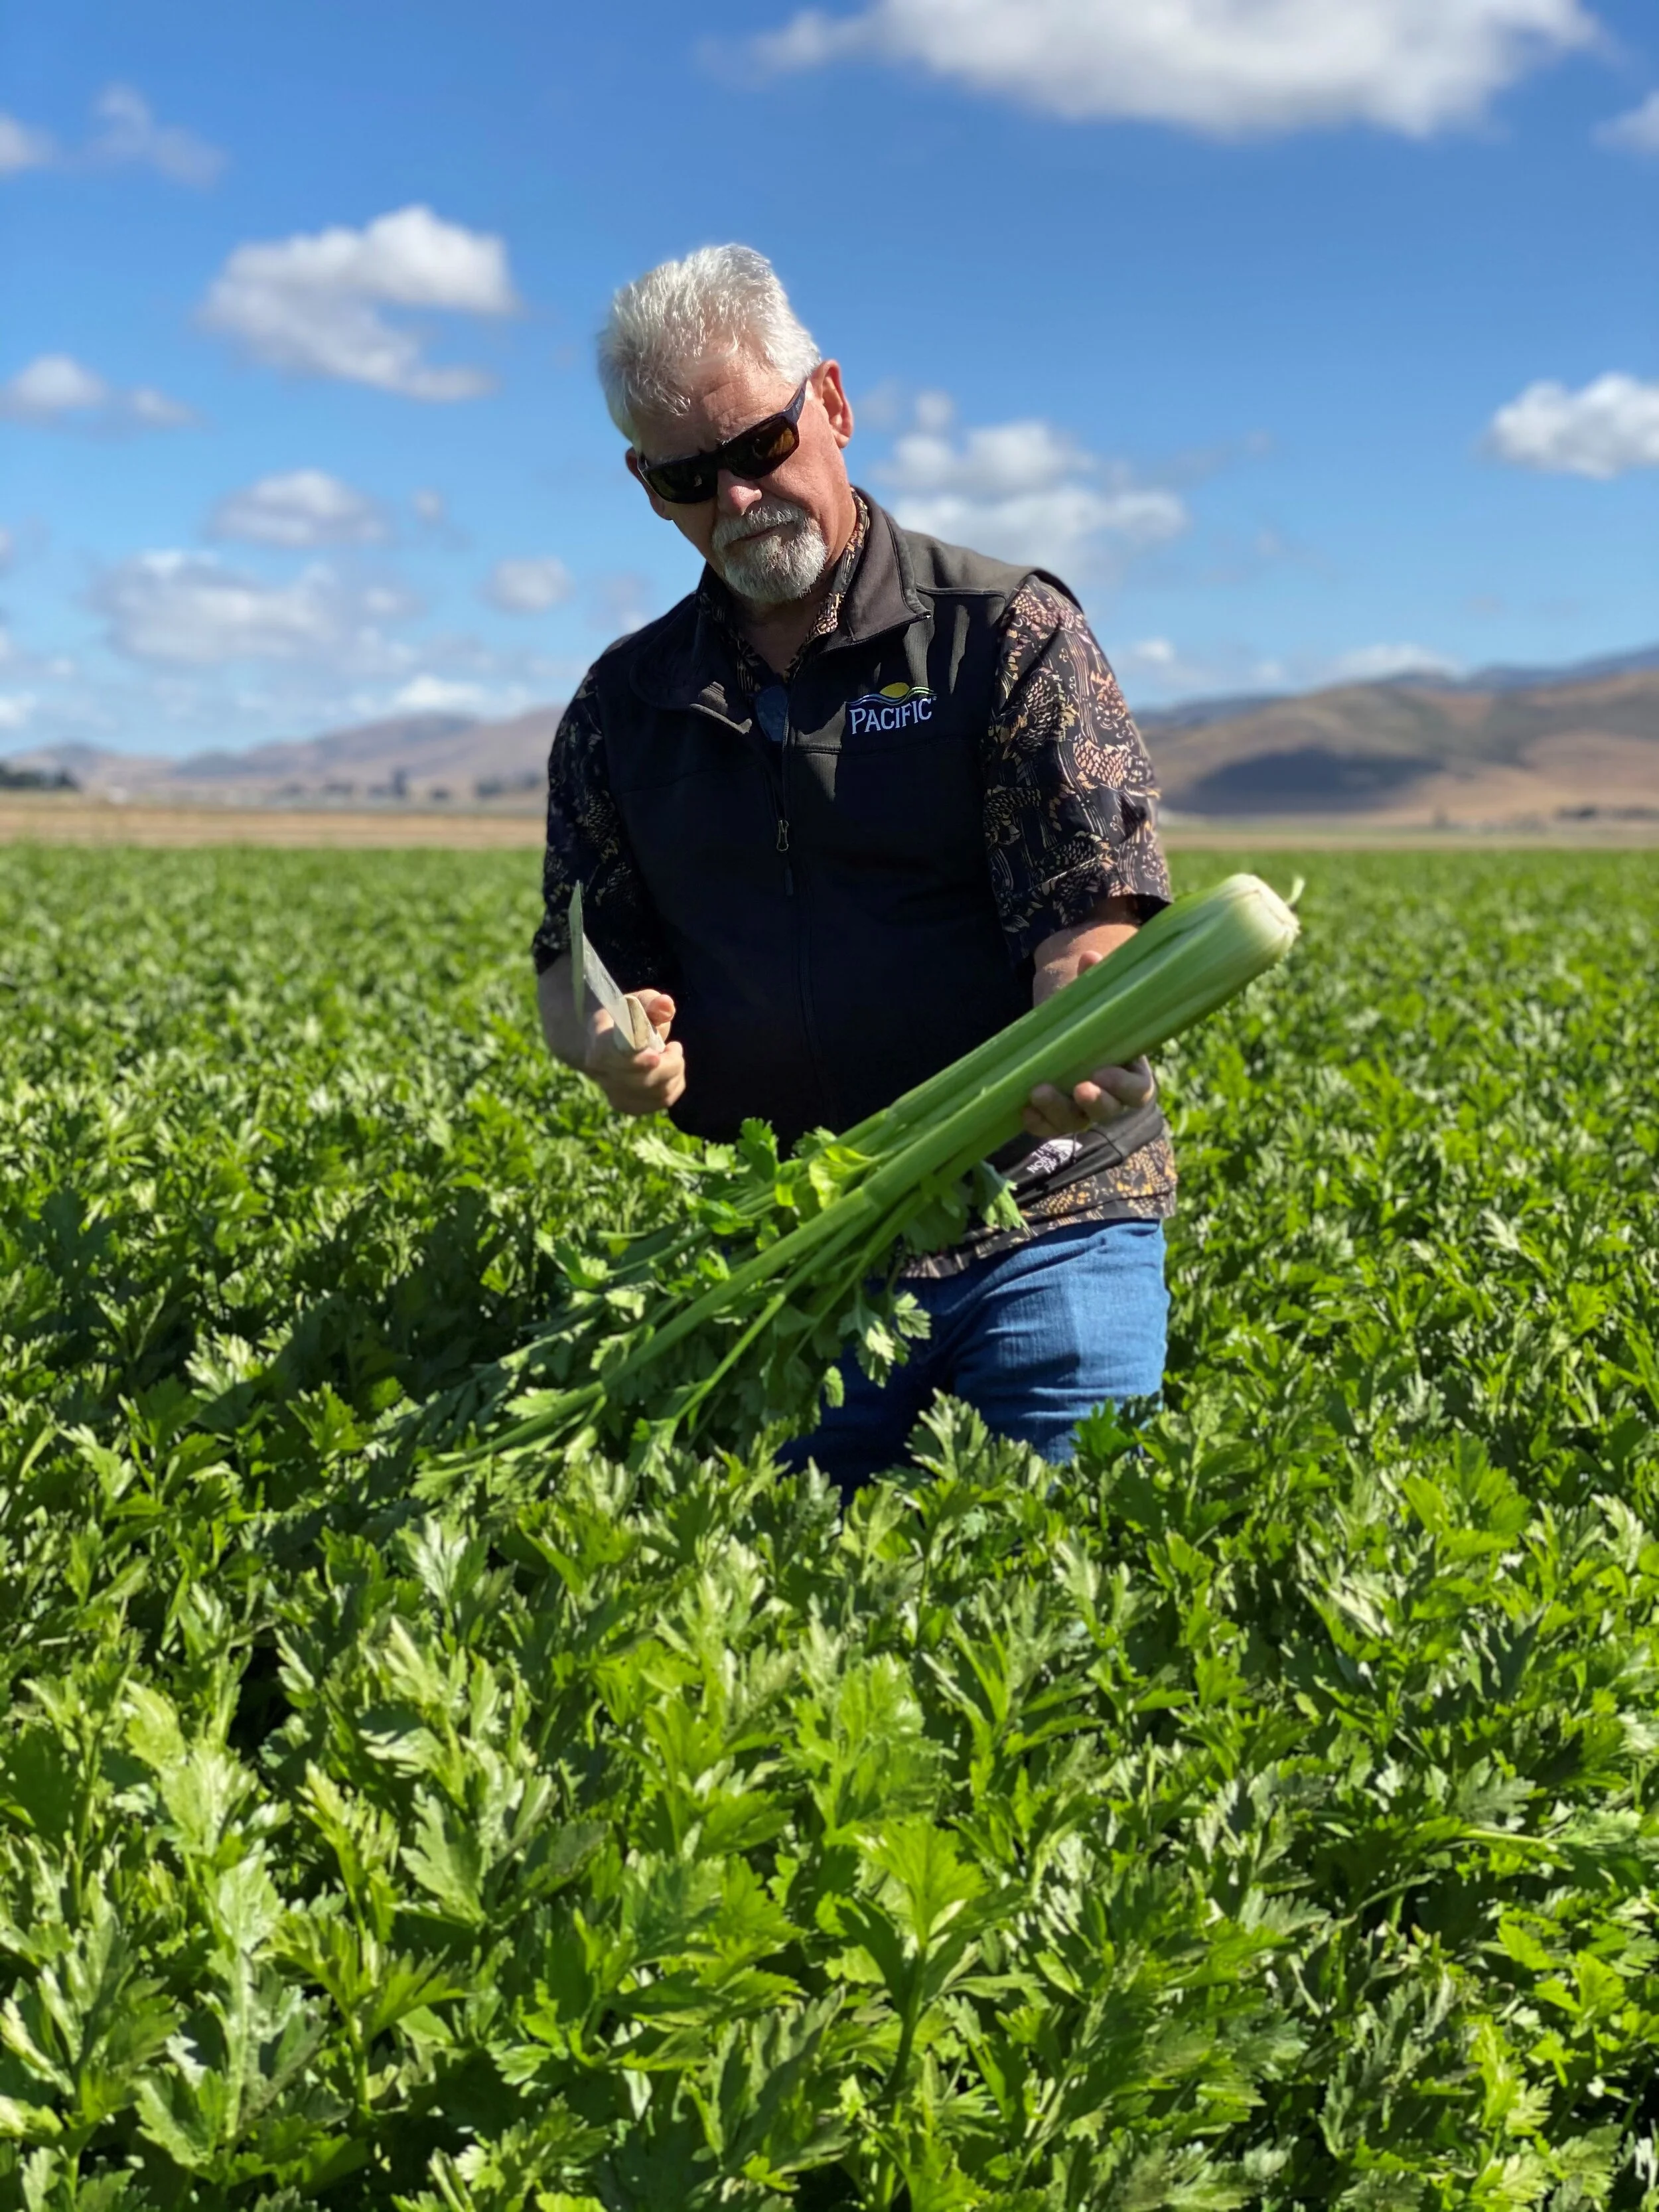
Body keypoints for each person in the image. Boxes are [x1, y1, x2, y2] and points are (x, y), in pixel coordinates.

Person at [532, 244, 1175, 1493]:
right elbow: (575, 967)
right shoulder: (624, 707)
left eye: (761, 445)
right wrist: (606, 1043)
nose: (738, 498)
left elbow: (1092, 914)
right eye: (690, 476)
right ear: (645, 486)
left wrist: (1084, 1020)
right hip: (797, 1260)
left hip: (1046, 1222)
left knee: (1047, 1561)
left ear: (829, 402)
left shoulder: (1005, 634)